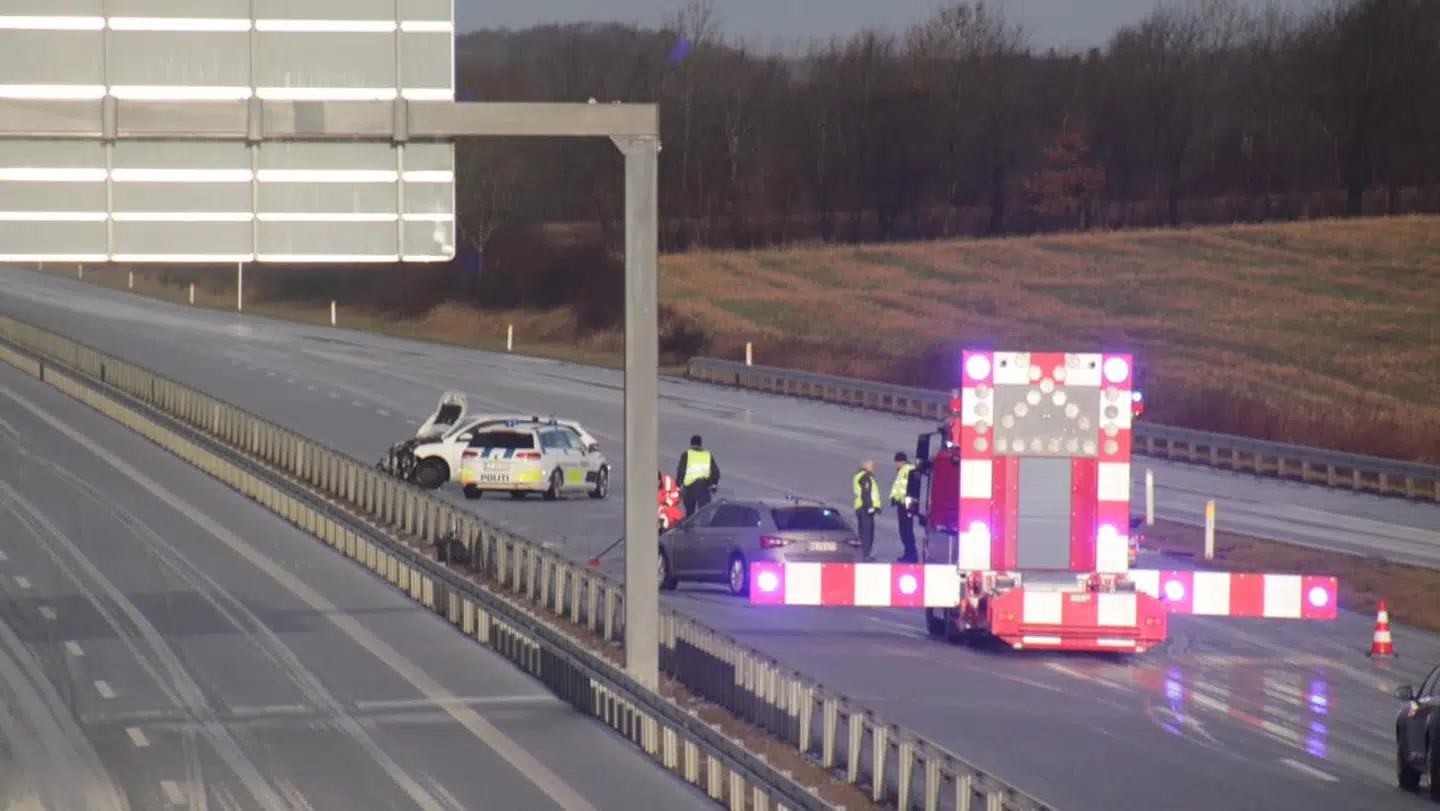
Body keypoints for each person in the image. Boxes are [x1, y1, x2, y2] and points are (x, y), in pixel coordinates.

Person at [676, 434, 719, 516]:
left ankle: (689, 527)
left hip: (689, 488)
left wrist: (678, 485)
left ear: (691, 444)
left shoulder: (686, 454)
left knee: (690, 513)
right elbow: (715, 471)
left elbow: (681, 471)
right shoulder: (707, 455)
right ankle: (702, 528)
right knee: (703, 513)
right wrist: (713, 484)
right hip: (704, 487)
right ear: (700, 444)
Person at [890, 452, 919, 562]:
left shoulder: (910, 470)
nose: (896, 465)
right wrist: (894, 498)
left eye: (896, 462)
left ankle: (911, 555)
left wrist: (909, 504)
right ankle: (908, 553)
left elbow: (912, 488)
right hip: (901, 504)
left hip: (906, 506)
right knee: (903, 531)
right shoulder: (902, 471)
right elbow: (898, 487)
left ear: (900, 461)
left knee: (907, 531)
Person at [852, 460, 881, 561]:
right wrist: (870, 508)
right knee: (867, 532)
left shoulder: (859, 476)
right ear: (867, 467)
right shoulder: (865, 477)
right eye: (873, 466)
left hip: (860, 508)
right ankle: (866, 554)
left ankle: (864, 553)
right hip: (865, 509)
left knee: (863, 531)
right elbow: (866, 494)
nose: (874, 469)